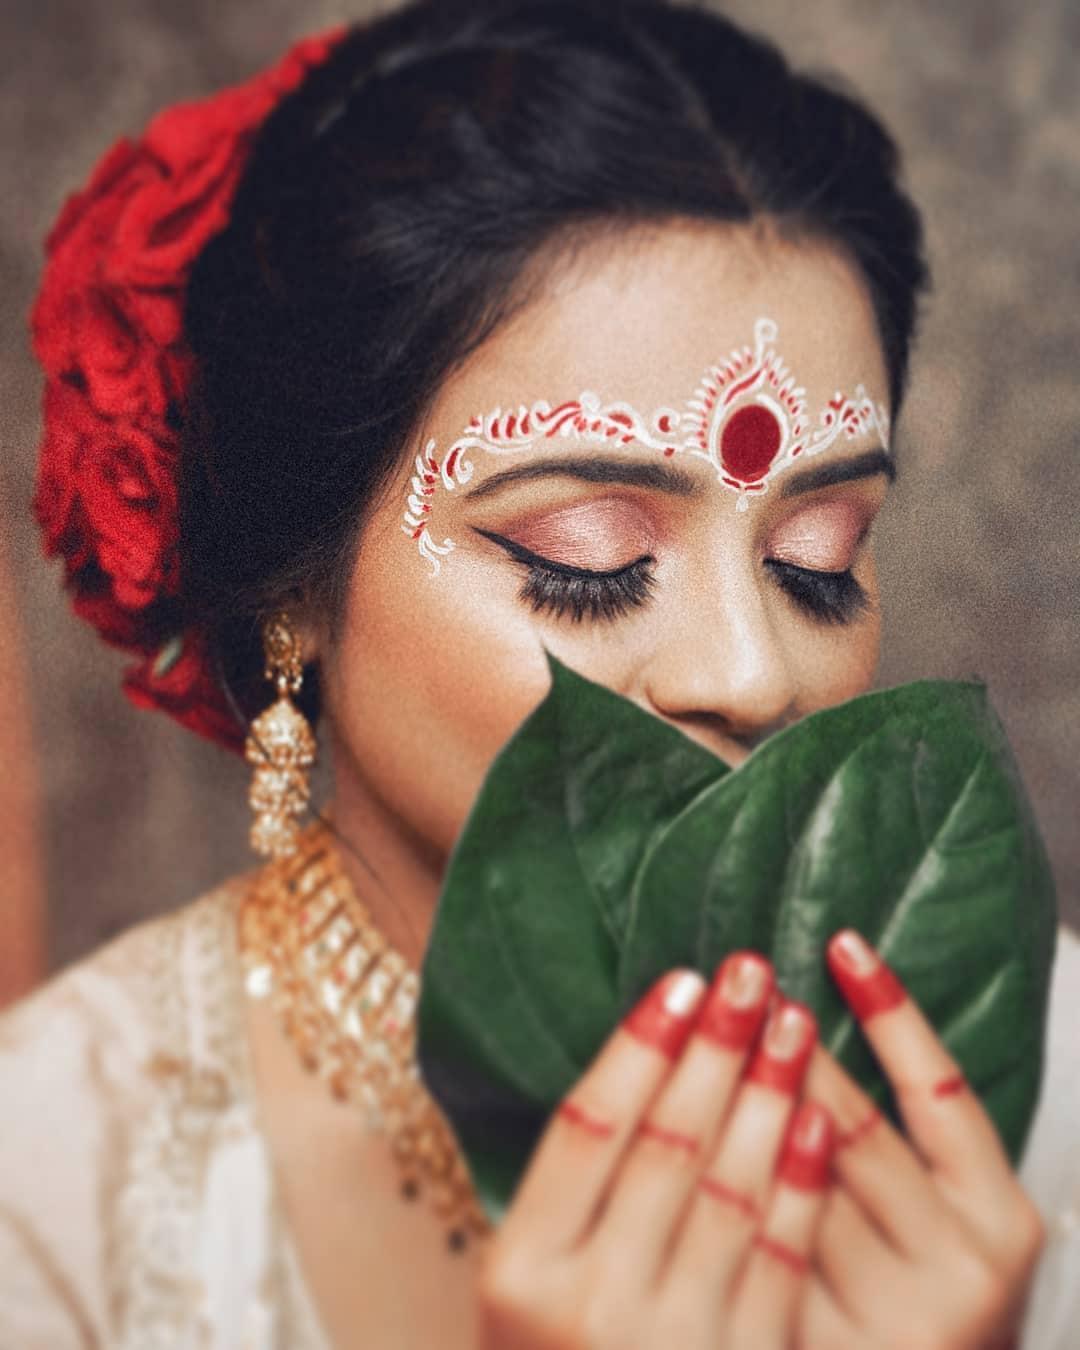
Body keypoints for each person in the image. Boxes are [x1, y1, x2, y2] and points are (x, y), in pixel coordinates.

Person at [2, 1, 1077, 1346]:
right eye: (588, 559)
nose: (752, 672)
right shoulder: (47, 1183)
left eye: (818, 560)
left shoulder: (1049, 1085)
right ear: (294, 587)